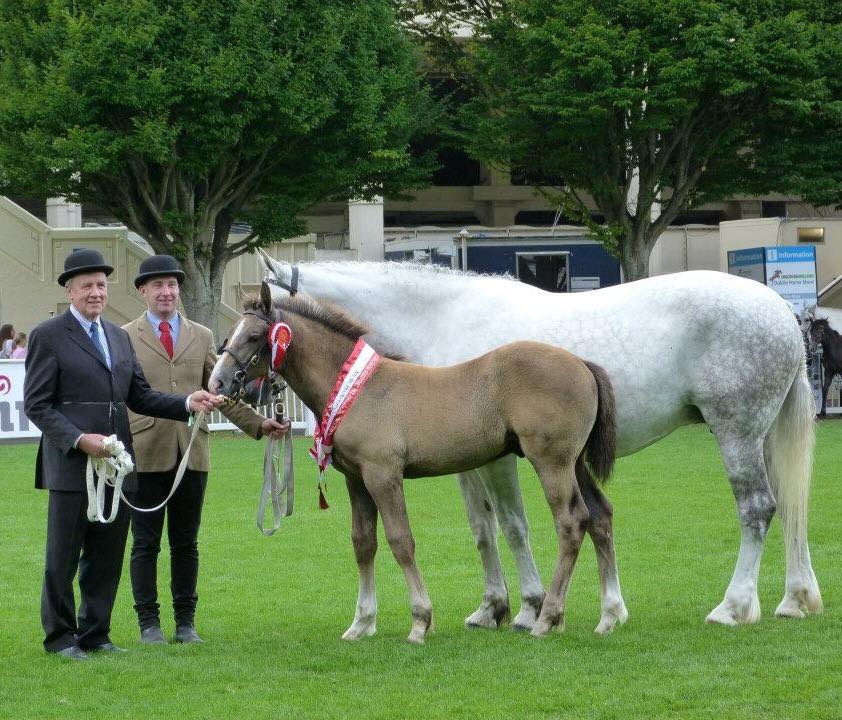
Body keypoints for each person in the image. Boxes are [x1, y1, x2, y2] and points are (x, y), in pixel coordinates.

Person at [23, 248, 222, 661]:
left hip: (116, 464)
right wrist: (81, 440)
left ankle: (96, 633)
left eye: (100, 285)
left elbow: (139, 396)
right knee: (63, 555)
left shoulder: (118, 336)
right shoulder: (49, 334)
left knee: (106, 553)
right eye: (87, 286)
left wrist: (187, 402)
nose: (96, 293)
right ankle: (60, 638)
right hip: (72, 464)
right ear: (70, 290)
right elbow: (38, 405)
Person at [124, 255, 288, 645]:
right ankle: (149, 624)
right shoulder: (124, 336)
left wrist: (257, 423)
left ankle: (185, 623)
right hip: (144, 450)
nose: (167, 292)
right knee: (145, 544)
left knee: (186, 542)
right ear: (143, 291)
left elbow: (220, 392)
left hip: (191, 452)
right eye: (158, 285)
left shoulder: (199, 334)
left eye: (172, 285)